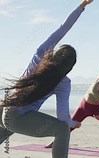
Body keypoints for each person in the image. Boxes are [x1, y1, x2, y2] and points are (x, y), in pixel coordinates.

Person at [0, 1, 93, 157]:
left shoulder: (40, 54)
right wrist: (73, 124)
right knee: (62, 130)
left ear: (55, 54)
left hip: (4, 109)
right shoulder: (63, 82)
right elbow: (62, 117)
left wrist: (81, 6)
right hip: (17, 119)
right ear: (69, 68)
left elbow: (63, 28)